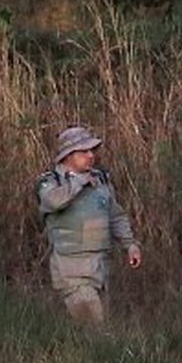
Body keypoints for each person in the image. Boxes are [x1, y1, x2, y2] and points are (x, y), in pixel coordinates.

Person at [36, 125, 142, 325]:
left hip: (100, 268)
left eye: (92, 150)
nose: (91, 155)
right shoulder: (51, 182)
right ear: (68, 155)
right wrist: (79, 183)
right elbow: (53, 201)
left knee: (101, 326)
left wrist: (130, 244)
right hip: (71, 270)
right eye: (84, 151)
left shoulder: (100, 180)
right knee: (94, 328)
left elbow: (115, 215)